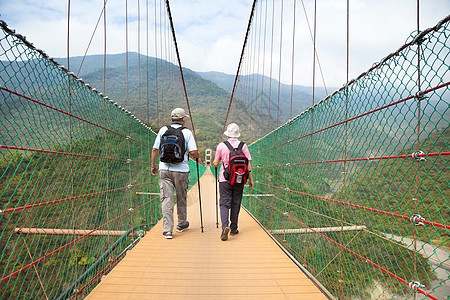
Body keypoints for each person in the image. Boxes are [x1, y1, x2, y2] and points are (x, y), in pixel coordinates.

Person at [151, 108, 200, 239]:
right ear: (183, 119)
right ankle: (181, 224)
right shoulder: (186, 132)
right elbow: (193, 152)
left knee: (167, 199)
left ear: (171, 118)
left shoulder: (163, 130)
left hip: (164, 169)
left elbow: (155, 149)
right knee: (181, 197)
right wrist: (197, 155)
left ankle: (167, 230)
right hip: (181, 170)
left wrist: (153, 166)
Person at [212, 123, 254, 241]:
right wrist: (250, 179)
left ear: (227, 133)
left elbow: (215, 163)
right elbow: (248, 164)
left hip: (225, 179)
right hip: (240, 179)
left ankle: (225, 226)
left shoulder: (221, 145)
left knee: (224, 203)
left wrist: (216, 162)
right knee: (236, 202)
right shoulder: (243, 145)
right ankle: (234, 228)